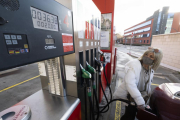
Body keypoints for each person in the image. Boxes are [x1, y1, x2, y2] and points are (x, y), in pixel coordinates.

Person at [113, 47, 163, 120]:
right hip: (132, 97)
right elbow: (130, 84)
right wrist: (140, 101)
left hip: (143, 98)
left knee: (135, 115)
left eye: (151, 56)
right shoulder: (134, 66)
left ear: (155, 60)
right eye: (146, 54)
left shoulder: (150, 69)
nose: (147, 57)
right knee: (129, 116)